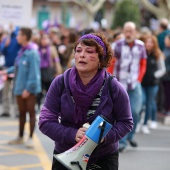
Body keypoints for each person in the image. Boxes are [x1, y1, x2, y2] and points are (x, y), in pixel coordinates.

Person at [39, 32, 133, 170]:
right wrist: (72, 134)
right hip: (66, 155)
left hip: (103, 157)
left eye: (89, 51)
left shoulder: (113, 87)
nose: (82, 55)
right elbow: (45, 121)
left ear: (101, 59)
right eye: (78, 50)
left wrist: (105, 137)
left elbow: (126, 122)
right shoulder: (60, 83)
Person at [1, 27, 41, 148]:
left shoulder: (32, 52)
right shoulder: (22, 51)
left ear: (24, 36)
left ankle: (30, 138)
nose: (17, 37)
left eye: (19, 35)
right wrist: (6, 71)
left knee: (31, 112)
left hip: (29, 89)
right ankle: (20, 136)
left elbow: (34, 73)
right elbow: (17, 66)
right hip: (19, 87)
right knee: (22, 112)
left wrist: (28, 89)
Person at [111, 22, 147, 151]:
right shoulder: (117, 45)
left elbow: (143, 64)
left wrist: (139, 79)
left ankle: (131, 136)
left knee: (135, 111)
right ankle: (122, 142)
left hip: (134, 85)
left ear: (135, 32)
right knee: (122, 113)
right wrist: (110, 80)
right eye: (126, 31)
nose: (128, 33)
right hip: (120, 84)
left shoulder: (141, 46)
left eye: (130, 31)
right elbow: (111, 64)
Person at [141, 35, 166, 134]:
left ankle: (145, 124)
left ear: (154, 44)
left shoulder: (157, 55)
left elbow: (162, 69)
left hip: (152, 84)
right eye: (147, 42)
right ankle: (138, 121)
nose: (149, 44)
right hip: (142, 83)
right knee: (141, 102)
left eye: (151, 42)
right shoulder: (141, 53)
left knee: (149, 103)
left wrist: (155, 75)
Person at [0, 25, 21, 117]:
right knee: (5, 90)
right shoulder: (6, 40)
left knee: (16, 89)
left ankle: (17, 110)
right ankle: (6, 110)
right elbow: (2, 51)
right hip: (7, 67)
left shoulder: (18, 40)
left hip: (16, 67)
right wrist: (5, 45)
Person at [162, 34, 170, 115]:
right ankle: (166, 108)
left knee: (168, 93)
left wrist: (166, 70)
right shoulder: (165, 48)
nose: (165, 40)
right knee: (165, 93)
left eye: (166, 39)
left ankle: (168, 109)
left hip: (168, 76)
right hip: (164, 76)